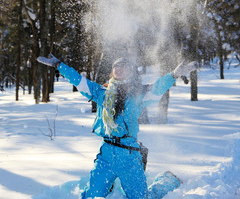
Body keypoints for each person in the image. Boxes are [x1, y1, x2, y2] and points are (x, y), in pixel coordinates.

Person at [37, 54, 198, 199]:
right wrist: (59, 65)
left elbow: (158, 88)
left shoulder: (138, 94)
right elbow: (79, 81)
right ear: (112, 71)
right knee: (91, 196)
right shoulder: (102, 92)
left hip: (129, 155)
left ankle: (168, 180)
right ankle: (109, 185)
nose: (119, 69)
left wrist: (174, 75)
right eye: (116, 66)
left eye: (124, 66)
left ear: (131, 72)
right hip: (106, 154)